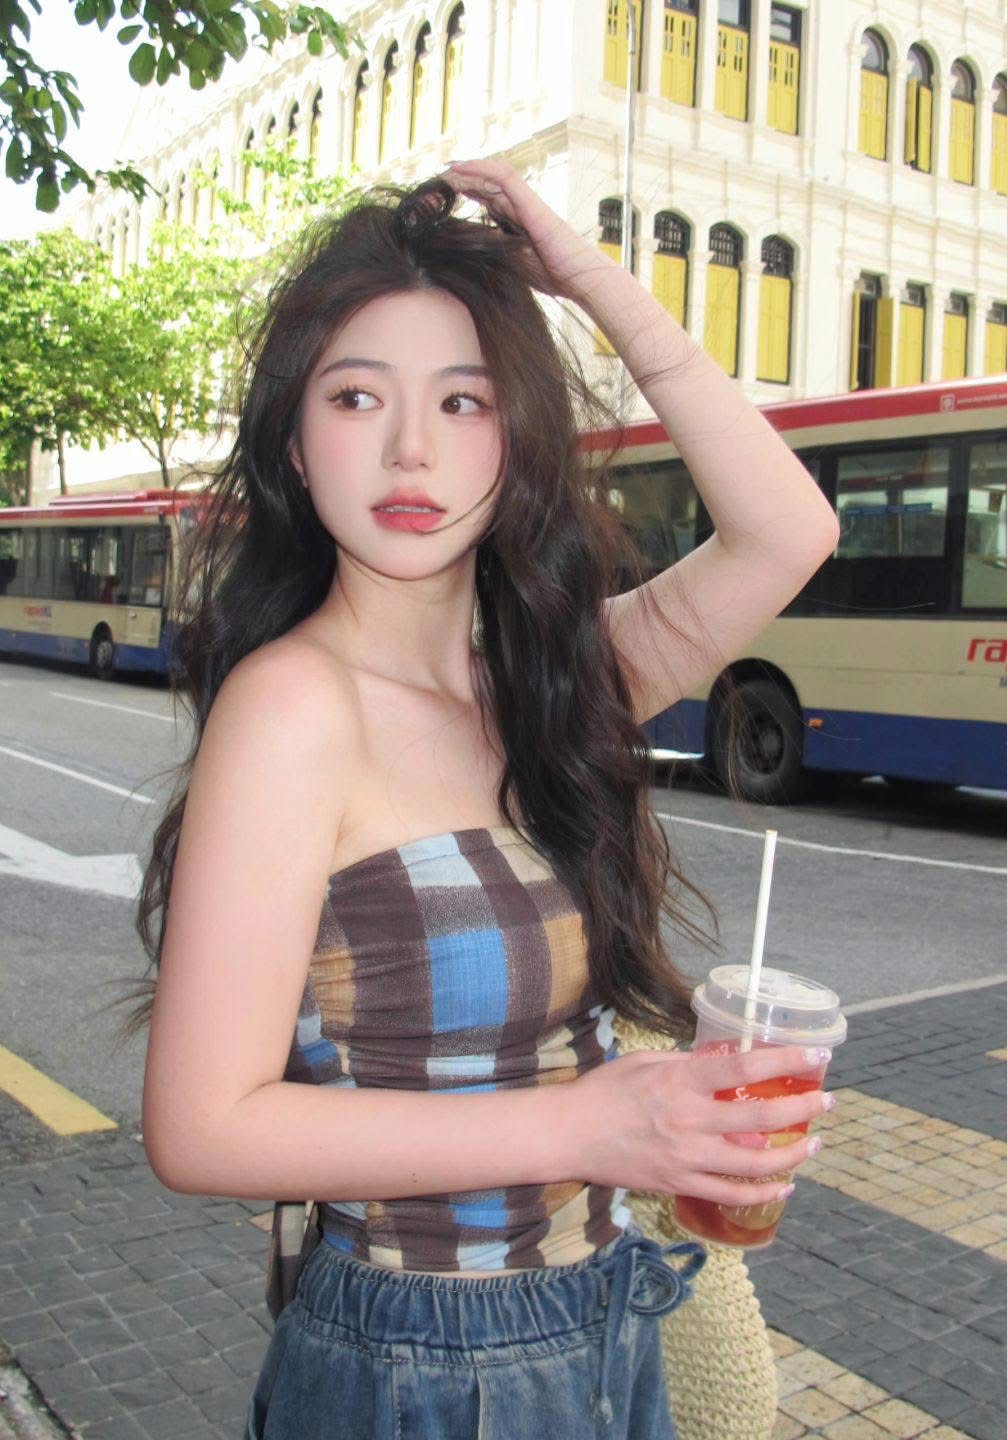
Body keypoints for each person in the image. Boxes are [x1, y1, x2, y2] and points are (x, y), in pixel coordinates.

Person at [133, 158, 840, 1439]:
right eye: (357, 397)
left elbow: (788, 532)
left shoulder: (552, 682)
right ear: (295, 441)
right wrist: (594, 1124)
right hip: (424, 1361)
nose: (411, 448)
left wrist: (591, 283)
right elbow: (201, 1129)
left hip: (602, 1318)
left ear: (516, 442)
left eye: (465, 401)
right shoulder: (295, 710)